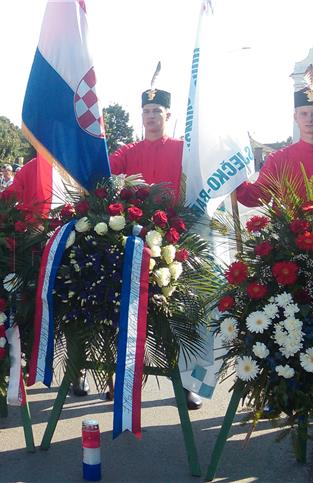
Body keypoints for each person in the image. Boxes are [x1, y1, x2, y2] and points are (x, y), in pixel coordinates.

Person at [108, 85, 202, 410]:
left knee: (178, 315)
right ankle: (115, 378)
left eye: (157, 112)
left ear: (167, 115)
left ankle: (188, 384)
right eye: (147, 112)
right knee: (124, 311)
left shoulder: (182, 148)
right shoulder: (129, 151)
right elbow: (105, 168)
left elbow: (204, 168)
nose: (151, 117)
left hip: (175, 241)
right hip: (134, 241)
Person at [236, 84, 313, 206]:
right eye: (304, 113)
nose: (309, 119)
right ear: (295, 117)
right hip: (289, 225)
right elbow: (259, 196)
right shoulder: (278, 159)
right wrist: (236, 180)